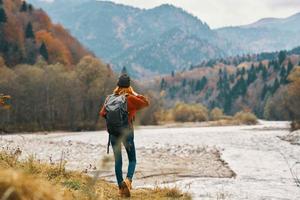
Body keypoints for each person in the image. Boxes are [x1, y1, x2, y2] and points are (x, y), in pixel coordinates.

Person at [100, 73, 149, 197]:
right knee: (132, 159)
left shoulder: (109, 98)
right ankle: (128, 181)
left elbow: (102, 113)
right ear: (129, 86)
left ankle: (120, 189)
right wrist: (136, 93)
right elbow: (146, 103)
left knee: (118, 161)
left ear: (117, 85)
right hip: (127, 132)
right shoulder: (130, 98)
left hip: (113, 134)